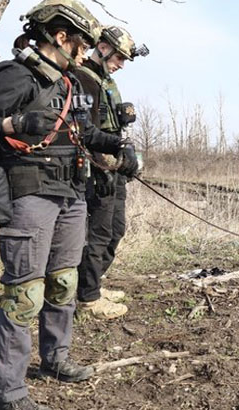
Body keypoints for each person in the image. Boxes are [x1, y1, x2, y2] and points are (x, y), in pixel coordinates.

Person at [0, 1, 139, 409]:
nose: (86, 49)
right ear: (61, 37)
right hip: (30, 197)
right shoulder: (18, 76)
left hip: (71, 195)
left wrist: (114, 144)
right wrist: (14, 124)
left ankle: (55, 359)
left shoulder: (69, 82)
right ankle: (7, 394)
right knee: (24, 295)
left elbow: (82, 131)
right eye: (83, 42)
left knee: (64, 284)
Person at [74, 26, 147, 320]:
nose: (121, 64)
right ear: (102, 48)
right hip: (97, 170)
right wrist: (117, 149)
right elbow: (85, 134)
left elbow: (111, 126)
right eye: (119, 57)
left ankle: (92, 285)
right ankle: (87, 299)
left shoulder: (105, 80)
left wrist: (125, 148)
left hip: (113, 169)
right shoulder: (84, 79)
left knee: (116, 230)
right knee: (99, 234)